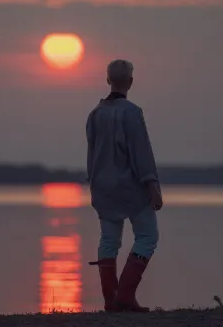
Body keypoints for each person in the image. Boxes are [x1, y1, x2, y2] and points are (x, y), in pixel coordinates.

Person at [86, 58, 163, 313]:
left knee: (109, 240)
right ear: (130, 81)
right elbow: (141, 152)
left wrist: (93, 187)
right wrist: (152, 184)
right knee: (148, 236)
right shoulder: (132, 112)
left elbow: (91, 155)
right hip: (130, 188)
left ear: (108, 80)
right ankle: (125, 296)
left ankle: (111, 300)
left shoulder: (95, 114)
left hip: (103, 188)